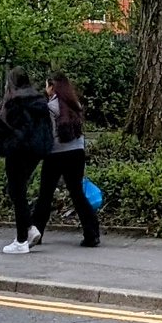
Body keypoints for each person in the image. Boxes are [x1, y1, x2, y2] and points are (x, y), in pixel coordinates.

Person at [0, 67, 54, 254]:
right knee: (18, 191)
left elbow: (1, 125)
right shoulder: (39, 100)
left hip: (16, 150)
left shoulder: (14, 101)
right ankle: (29, 228)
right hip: (35, 151)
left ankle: (21, 239)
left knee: (17, 192)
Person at [31, 72, 101, 247]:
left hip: (56, 154)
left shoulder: (50, 107)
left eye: (47, 85)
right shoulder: (74, 105)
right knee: (77, 193)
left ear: (52, 87)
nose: (45, 89)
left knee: (45, 194)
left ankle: (36, 232)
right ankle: (92, 233)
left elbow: (49, 134)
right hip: (76, 152)